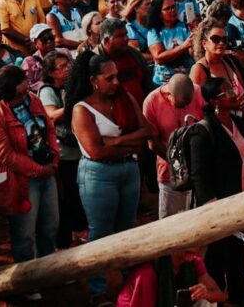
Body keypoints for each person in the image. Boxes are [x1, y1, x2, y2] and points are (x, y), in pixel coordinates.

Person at [69, 53, 150, 301]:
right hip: (99, 175)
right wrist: (131, 145)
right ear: (94, 80)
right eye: (110, 78)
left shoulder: (124, 98)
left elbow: (146, 130)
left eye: (117, 77)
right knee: (100, 232)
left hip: (127, 170)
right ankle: (98, 290)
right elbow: (96, 151)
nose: (116, 82)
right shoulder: (81, 109)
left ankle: (129, 282)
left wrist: (118, 141)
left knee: (126, 228)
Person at [189, 77, 244, 307]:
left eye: (231, 89)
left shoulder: (239, 123)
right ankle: (214, 300)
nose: (232, 94)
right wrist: (213, 208)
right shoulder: (202, 131)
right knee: (218, 255)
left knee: (239, 250)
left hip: (242, 198)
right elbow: (199, 175)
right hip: (219, 205)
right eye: (225, 92)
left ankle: (239, 296)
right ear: (212, 101)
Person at [0, 65, 58, 279]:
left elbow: (49, 127)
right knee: (25, 234)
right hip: (21, 180)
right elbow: (5, 155)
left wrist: (53, 157)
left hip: (46, 172)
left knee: (50, 227)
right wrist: (38, 170)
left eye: (25, 91)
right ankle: (28, 279)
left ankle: (51, 271)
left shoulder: (33, 100)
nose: (24, 96)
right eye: (19, 93)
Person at [37, 51, 85, 249]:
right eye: (62, 66)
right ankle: (66, 241)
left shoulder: (69, 87)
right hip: (63, 154)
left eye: (68, 64)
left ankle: (79, 231)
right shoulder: (47, 91)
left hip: (77, 150)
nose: (67, 68)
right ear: (51, 72)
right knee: (66, 198)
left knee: (78, 195)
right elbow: (50, 115)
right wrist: (76, 104)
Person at [143, 75, 203, 219]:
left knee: (197, 217)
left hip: (198, 168)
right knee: (170, 220)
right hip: (170, 172)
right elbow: (153, 144)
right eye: (181, 104)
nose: (185, 107)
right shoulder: (151, 102)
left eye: (187, 103)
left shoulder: (198, 92)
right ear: (169, 94)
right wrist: (177, 164)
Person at [115, 247, 229, 307]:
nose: (194, 247)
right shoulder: (148, 272)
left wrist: (206, 294)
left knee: (207, 302)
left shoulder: (194, 261)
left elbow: (221, 296)